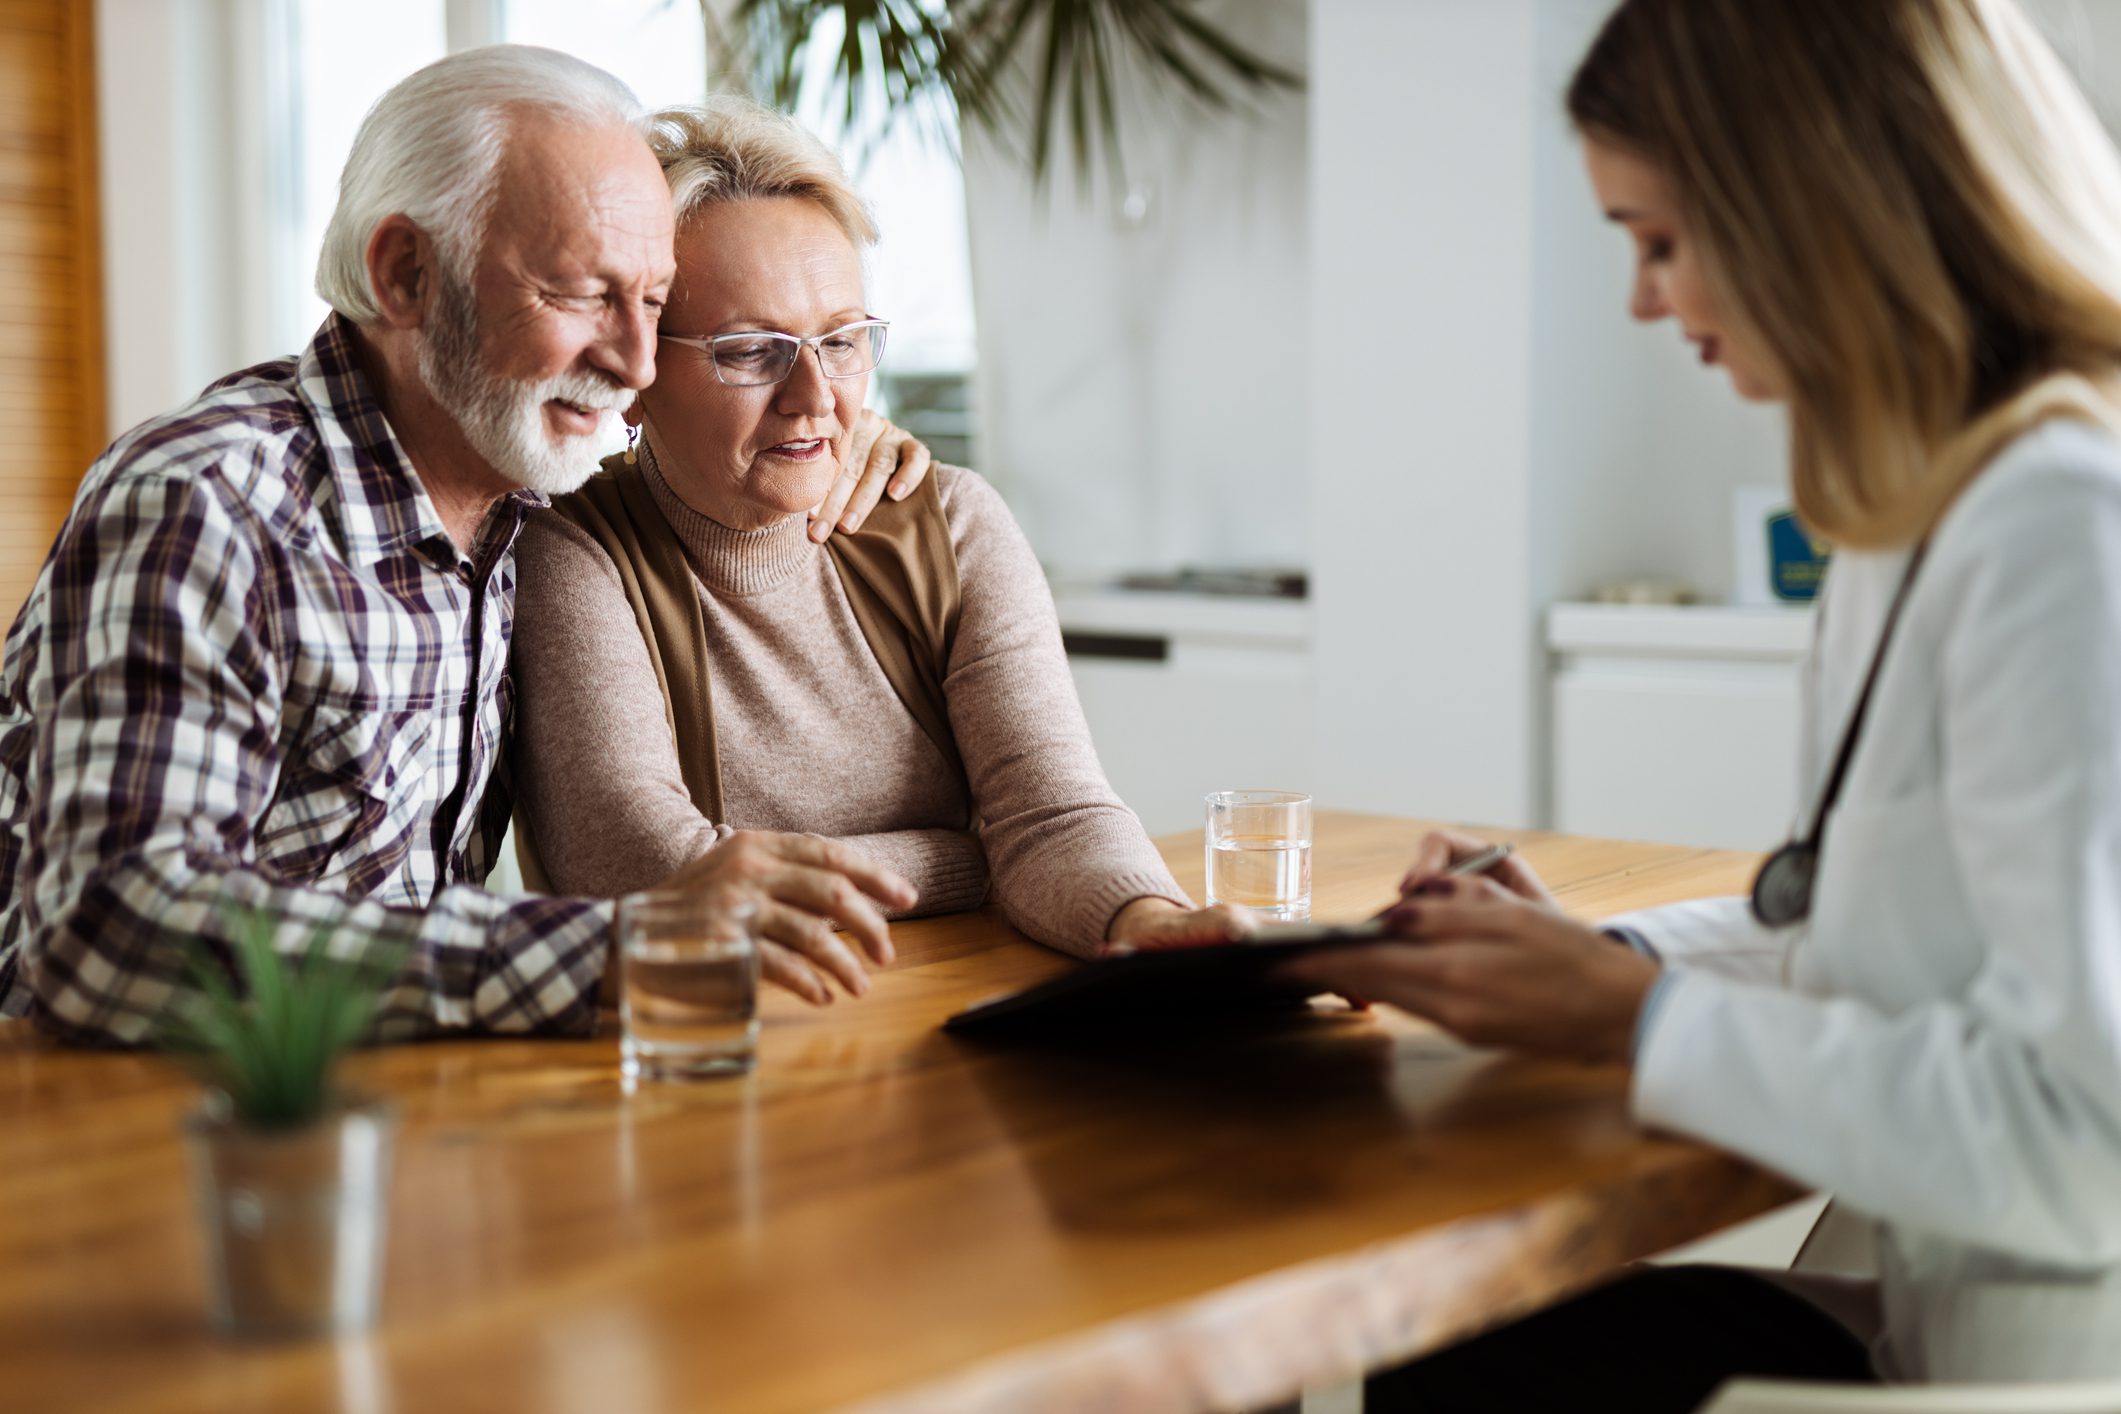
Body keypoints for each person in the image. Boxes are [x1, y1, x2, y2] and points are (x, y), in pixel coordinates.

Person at [1282, 0, 2121, 1403]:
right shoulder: (1914, 513)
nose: (1643, 302)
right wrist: (1577, 953)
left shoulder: (2060, 536)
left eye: (1659, 242)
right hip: (1952, 1324)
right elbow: (1861, 929)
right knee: (1459, 1353)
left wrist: (1634, 1019)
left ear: (1820, 210)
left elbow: (2085, 1140)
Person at [0, 46, 935, 1043]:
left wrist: (829, 430)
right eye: (581, 295)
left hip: (396, 1108)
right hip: (141, 1130)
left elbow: (724, 449)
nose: (631, 362)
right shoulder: (209, 502)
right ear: (406, 274)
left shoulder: (532, 493)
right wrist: (606, 952)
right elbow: (106, 922)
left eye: (653, 303)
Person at [510, 98, 1240, 1006]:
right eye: (752, 350)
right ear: (638, 370)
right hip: (713, 1050)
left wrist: (1148, 923)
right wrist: (966, 857)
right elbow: (643, 876)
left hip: (945, 1022)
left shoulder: (953, 523)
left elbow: (1051, 818)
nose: (814, 396)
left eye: (842, 341)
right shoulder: (569, 549)